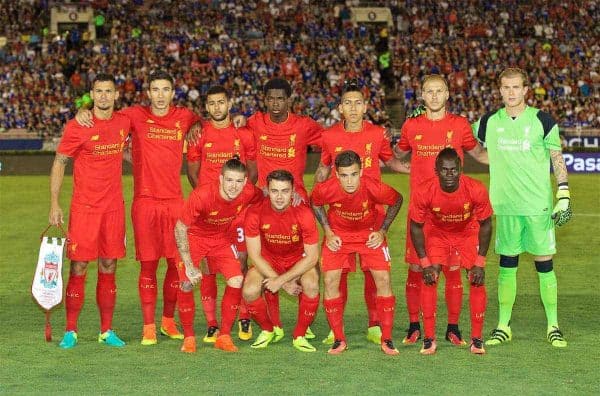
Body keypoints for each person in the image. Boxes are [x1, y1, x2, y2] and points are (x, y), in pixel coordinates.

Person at [76, 70, 201, 346]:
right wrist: (83, 110)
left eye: (165, 89)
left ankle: (168, 321)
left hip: (174, 203)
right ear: (148, 92)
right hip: (145, 203)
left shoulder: (184, 116)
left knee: (174, 263)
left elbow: (203, 119)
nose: (160, 95)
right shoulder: (134, 115)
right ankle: (148, 326)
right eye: (155, 89)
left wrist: (196, 126)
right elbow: (104, 112)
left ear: (172, 92)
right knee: (148, 265)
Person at [472, 67, 571, 348]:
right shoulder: (488, 121)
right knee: (507, 266)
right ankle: (504, 326)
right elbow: (467, 144)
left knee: (545, 264)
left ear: (525, 89)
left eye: (516, 87)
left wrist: (563, 191)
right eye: (506, 87)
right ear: (500, 90)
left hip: (537, 206)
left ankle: (553, 325)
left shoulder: (542, 120)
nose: (511, 92)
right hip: (505, 207)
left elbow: (556, 156)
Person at [394, 74, 488, 346]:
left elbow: (479, 155)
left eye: (439, 91)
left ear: (447, 94)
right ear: (422, 95)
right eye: (429, 91)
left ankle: (453, 327)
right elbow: (395, 156)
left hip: (454, 213)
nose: (434, 96)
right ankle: (414, 325)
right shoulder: (411, 126)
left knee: (454, 270)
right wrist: (408, 168)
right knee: (416, 268)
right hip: (422, 213)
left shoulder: (459, 125)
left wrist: (512, 158)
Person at [314, 79, 409, 346]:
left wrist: (419, 168)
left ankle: (375, 324)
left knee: (374, 273)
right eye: (348, 103)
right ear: (340, 108)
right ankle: (337, 329)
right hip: (340, 215)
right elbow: (323, 168)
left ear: (365, 106)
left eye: (358, 103)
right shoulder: (329, 136)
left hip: (374, 213)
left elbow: (391, 162)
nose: (353, 108)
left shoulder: (378, 134)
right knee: (337, 273)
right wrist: (313, 191)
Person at [50, 73, 131, 349]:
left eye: (109, 91)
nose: (104, 96)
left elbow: (159, 114)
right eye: (99, 91)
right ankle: (71, 330)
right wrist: (54, 203)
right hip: (84, 209)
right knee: (79, 265)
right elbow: (60, 162)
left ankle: (106, 330)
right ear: (92, 94)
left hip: (113, 210)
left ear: (116, 95)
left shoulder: (124, 121)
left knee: (109, 265)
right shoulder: (78, 125)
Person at [245, 78, 324, 341]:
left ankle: (306, 320)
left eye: (281, 98)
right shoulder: (255, 122)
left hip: (297, 202)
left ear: (289, 100)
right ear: (264, 99)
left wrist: (319, 181)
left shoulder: (303, 126)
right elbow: (234, 134)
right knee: (264, 257)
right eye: (271, 98)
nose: (276, 103)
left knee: (308, 264)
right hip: (264, 202)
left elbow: (331, 141)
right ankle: (274, 325)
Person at [311, 150, 403, 355]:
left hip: (369, 234)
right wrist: (327, 231)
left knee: (383, 279)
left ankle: (387, 339)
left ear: (360, 172)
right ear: (336, 174)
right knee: (330, 281)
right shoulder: (325, 189)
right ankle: (339, 338)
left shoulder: (373, 187)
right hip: (339, 237)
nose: (349, 181)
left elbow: (397, 200)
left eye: (353, 174)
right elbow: (315, 202)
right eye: (344, 175)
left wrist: (382, 230)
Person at [186, 85, 257, 343]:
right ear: (206, 107)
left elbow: (253, 172)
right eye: (212, 103)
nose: (217, 107)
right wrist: (210, 202)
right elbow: (192, 173)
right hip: (208, 214)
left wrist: (236, 200)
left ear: (229, 103)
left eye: (221, 102)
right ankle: (212, 324)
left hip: (238, 214)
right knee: (207, 266)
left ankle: (244, 316)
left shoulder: (244, 134)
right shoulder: (198, 134)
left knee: (239, 262)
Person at [174, 158, 263, 353]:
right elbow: (180, 228)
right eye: (229, 180)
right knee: (187, 283)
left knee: (237, 279)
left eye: (239, 181)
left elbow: (263, 196)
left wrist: (294, 198)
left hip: (221, 239)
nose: (234, 186)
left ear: (246, 181)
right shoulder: (203, 195)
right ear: (220, 178)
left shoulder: (248, 192)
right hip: (193, 238)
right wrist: (189, 264)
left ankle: (223, 336)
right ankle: (189, 338)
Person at [410, 148, 492, 355]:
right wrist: (425, 262)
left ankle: (477, 339)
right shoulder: (424, 190)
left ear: (460, 169)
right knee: (430, 276)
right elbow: (416, 227)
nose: (449, 175)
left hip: (467, 232)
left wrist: (480, 261)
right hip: (437, 233)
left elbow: (486, 224)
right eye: (444, 170)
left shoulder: (476, 189)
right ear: (436, 170)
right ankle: (429, 338)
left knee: (476, 277)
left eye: (453, 170)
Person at [242, 170, 321, 352]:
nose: (279, 197)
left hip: (298, 260)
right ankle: (268, 330)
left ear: (293, 191)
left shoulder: (304, 213)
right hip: (268, 260)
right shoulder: (254, 213)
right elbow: (254, 255)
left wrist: (281, 280)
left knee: (311, 284)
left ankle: (299, 335)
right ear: (267, 190)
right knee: (249, 290)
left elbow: (312, 257)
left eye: (285, 191)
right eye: (274, 191)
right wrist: (282, 283)